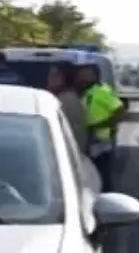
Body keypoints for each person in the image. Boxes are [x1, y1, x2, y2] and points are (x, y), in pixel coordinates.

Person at [76, 63, 126, 191]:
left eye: (85, 74)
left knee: (101, 175)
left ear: (94, 76)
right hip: (90, 140)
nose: (81, 77)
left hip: (100, 141)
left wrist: (97, 126)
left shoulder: (102, 91)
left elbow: (120, 111)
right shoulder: (88, 91)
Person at [48, 62, 89, 148]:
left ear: (65, 78)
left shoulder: (64, 101)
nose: (49, 79)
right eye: (50, 75)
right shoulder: (70, 97)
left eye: (54, 75)